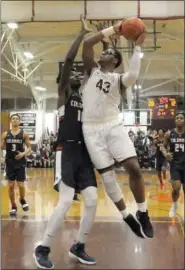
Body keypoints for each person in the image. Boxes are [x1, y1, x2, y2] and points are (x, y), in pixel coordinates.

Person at [33, 15, 98, 269]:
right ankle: (42, 248)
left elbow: (90, 70)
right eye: (67, 73)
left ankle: (79, 245)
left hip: (84, 153)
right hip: (66, 149)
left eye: (74, 73)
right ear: (62, 80)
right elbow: (71, 60)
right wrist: (82, 35)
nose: (72, 72)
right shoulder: (64, 95)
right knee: (66, 200)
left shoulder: (85, 97)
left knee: (92, 199)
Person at [82, 20, 153, 238]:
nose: (104, 54)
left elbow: (132, 76)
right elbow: (86, 44)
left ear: (115, 60)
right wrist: (115, 28)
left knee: (134, 167)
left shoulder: (118, 79)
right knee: (108, 177)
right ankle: (126, 216)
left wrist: (138, 46)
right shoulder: (91, 71)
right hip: (90, 129)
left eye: (110, 53)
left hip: (112, 124)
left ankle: (142, 213)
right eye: (105, 51)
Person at [1, 114, 31, 216]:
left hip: (20, 162)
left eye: (17, 119)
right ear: (10, 121)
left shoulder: (24, 134)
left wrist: (23, 154)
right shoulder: (5, 134)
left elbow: (29, 147)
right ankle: (13, 205)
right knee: (10, 185)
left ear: (19, 121)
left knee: (21, 185)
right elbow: (1, 146)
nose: (14, 120)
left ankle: (22, 199)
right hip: (9, 162)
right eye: (13, 119)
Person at [162, 112, 185, 218]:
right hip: (175, 165)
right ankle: (175, 205)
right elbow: (162, 147)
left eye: (181, 118)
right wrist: (166, 154)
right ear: (175, 120)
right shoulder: (169, 134)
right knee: (176, 187)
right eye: (177, 118)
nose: (179, 120)